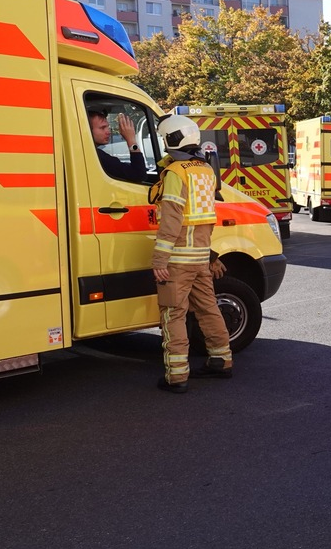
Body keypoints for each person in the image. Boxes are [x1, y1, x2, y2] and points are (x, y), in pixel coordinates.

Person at [149, 114, 233, 394]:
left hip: (177, 261)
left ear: (172, 140)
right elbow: (203, 219)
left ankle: (176, 376)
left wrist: (160, 259)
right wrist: (211, 256)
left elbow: (172, 219)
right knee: (208, 308)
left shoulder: (176, 173)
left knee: (173, 315)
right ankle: (221, 360)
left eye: (165, 140)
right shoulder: (206, 171)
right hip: (199, 258)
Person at [90, 110, 148, 182]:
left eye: (108, 127)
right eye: (102, 128)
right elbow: (139, 175)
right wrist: (131, 140)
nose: (108, 132)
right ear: (88, 129)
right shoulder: (98, 157)